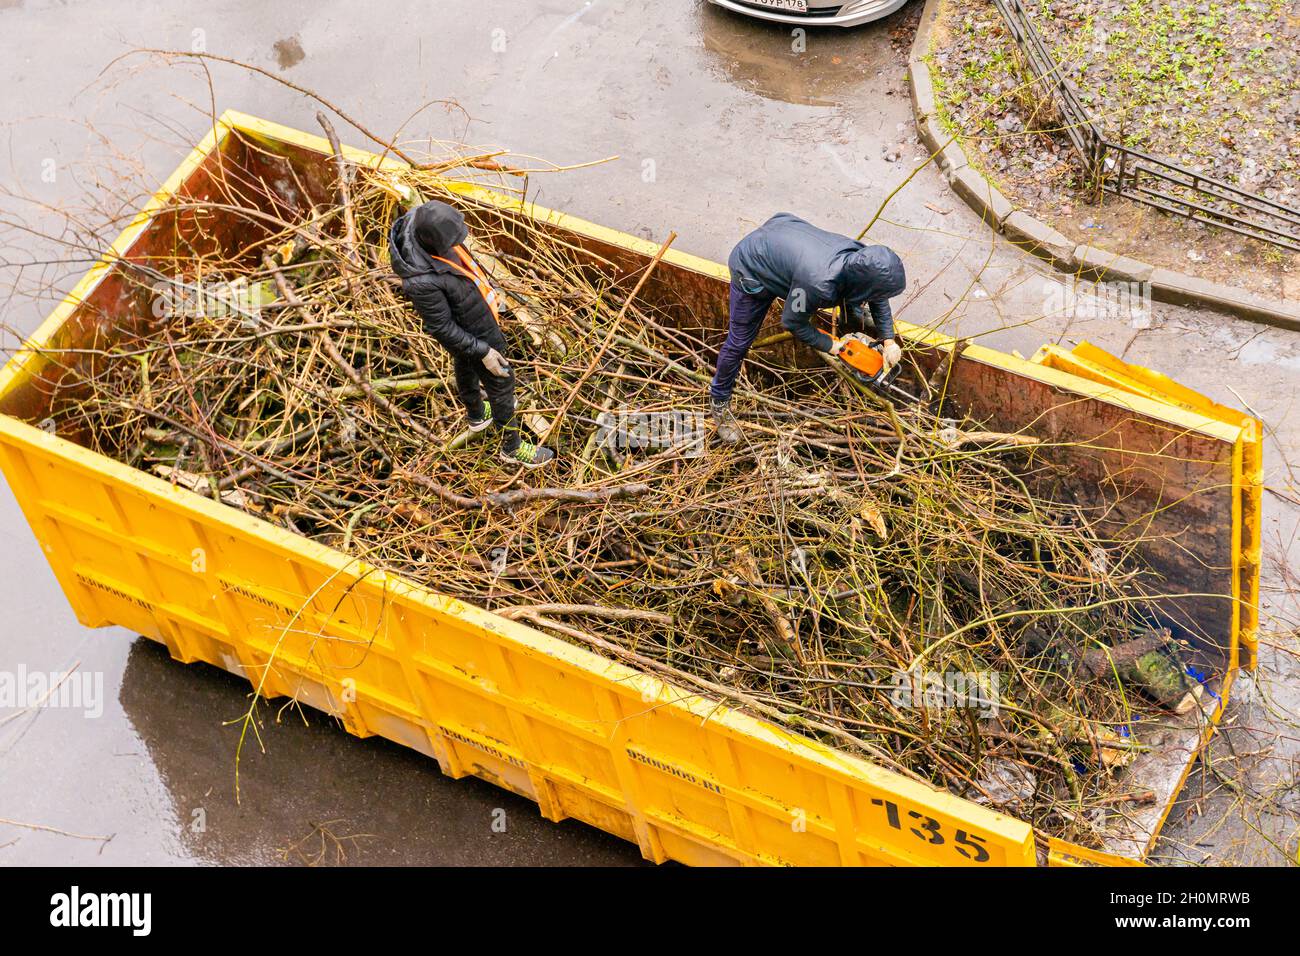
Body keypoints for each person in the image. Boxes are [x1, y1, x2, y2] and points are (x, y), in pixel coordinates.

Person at [709, 212, 907, 443]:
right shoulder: (817, 284)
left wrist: (888, 340)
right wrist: (831, 345)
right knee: (739, 342)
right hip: (752, 267)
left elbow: (878, 293)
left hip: (784, 236)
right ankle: (719, 402)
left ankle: (852, 311)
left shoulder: (861, 256)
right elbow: (793, 322)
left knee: (842, 301)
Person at [389, 200, 555, 467]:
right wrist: (483, 351)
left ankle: (477, 416)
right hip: (474, 333)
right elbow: (441, 328)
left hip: (472, 318)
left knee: (464, 362)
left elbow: (462, 271)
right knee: (502, 382)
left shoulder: (420, 219)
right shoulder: (420, 282)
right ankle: (511, 449)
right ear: (434, 242)